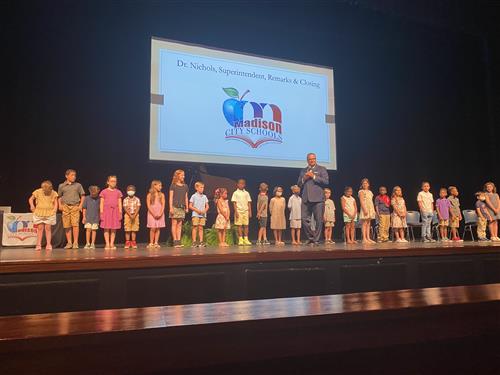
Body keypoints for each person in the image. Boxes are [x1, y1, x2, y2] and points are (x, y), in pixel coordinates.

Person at [297, 153, 329, 245]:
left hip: (318, 199)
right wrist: (304, 178)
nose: (312, 160)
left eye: (313, 159)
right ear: (307, 160)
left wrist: (313, 176)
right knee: (304, 219)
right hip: (306, 198)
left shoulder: (321, 169)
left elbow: (326, 181)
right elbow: (299, 184)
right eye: (310, 159)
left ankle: (316, 240)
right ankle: (311, 237)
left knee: (318, 220)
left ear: (315, 159)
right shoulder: (303, 170)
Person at [58, 169, 85, 249]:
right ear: (66, 176)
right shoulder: (61, 186)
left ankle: (75, 242)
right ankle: (69, 242)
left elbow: (83, 195)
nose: (74, 177)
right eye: (72, 175)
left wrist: (80, 205)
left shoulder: (78, 185)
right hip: (65, 206)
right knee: (67, 225)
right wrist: (60, 205)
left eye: (75, 175)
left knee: (75, 224)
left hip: (75, 206)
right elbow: (59, 196)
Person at [29, 180, 58, 250]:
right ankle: (38, 245)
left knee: (48, 228)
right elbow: (30, 199)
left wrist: (55, 209)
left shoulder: (53, 193)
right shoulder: (38, 191)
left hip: (49, 212)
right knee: (40, 228)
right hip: (39, 212)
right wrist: (32, 205)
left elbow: (55, 202)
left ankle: (48, 244)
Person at [99, 175, 123, 250]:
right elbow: (101, 203)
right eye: (112, 181)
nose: (113, 183)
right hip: (106, 211)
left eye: (115, 181)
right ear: (108, 182)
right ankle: (107, 243)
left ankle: (112, 243)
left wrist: (120, 212)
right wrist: (101, 213)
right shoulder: (104, 191)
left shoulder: (118, 192)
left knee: (113, 228)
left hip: (115, 212)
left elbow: (120, 203)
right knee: (106, 228)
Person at [169, 170, 189, 248]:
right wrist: (170, 208)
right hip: (174, 206)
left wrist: (187, 207)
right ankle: (175, 241)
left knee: (180, 224)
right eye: (182, 175)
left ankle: (179, 240)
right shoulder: (173, 185)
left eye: (184, 175)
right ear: (177, 176)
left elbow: (186, 197)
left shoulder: (185, 186)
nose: (183, 177)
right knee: (174, 223)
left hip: (182, 207)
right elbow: (171, 197)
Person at [231, 178, 252, 245]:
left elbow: (249, 202)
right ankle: (240, 239)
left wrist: (250, 211)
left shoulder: (246, 193)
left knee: (246, 225)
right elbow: (234, 203)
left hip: (245, 211)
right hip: (239, 211)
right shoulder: (235, 193)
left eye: (243, 183)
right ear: (237, 184)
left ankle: (246, 239)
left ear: (244, 185)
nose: (241, 185)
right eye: (240, 183)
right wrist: (236, 212)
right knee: (239, 225)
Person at [189, 182, 209, 247]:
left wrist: (204, 211)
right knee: (195, 227)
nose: (202, 189)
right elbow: (190, 206)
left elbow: (207, 206)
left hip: (202, 215)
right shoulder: (193, 196)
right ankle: (194, 242)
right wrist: (197, 210)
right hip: (195, 214)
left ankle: (201, 242)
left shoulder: (204, 196)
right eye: (201, 187)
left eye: (203, 187)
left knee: (201, 228)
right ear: (196, 188)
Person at [147, 180, 165, 248]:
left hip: (160, 212)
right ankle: (151, 242)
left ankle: (156, 242)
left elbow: (163, 205)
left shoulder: (162, 195)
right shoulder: (149, 195)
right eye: (159, 185)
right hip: (152, 213)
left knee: (158, 228)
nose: (161, 187)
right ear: (154, 185)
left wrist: (160, 213)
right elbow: (148, 205)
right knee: (153, 228)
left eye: (161, 186)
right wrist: (153, 214)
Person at [358, 178, 376, 244]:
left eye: (366, 183)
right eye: (363, 183)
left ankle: (368, 238)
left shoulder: (370, 192)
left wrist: (373, 209)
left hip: (370, 208)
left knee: (368, 223)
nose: (365, 184)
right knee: (364, 223)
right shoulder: (361, 191)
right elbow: (361, 201)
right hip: (365, 208)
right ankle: (364, 238)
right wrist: (364, 209)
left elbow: (371, 201)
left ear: (368, 184)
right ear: (362, 185)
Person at [123, 185, 141, 249]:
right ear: (127, 191)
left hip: (135, 215)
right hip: (128, 216)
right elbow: (125, 207)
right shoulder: (125, 199)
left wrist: (134, 215)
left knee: (134, 229)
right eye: (129, 190)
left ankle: (133, 242)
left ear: (135, 191)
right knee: (127, 229)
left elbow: (138, 207)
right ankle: (127, 242)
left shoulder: (137, 199)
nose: (131, 191)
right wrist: (130, 215)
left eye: (132, 190)